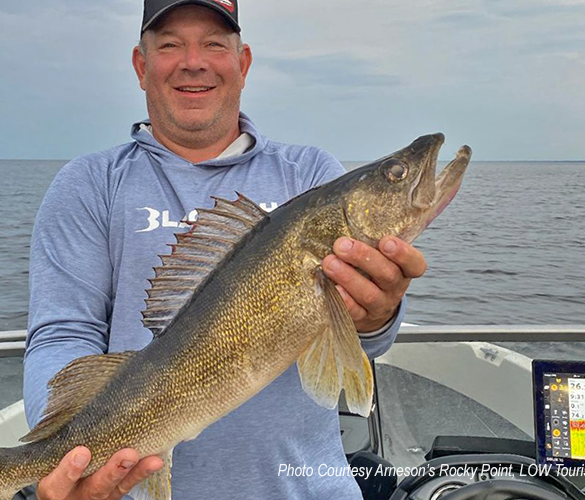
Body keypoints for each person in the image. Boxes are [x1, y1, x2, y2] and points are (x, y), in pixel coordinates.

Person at [23, 0, 427, 499]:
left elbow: (360, 343)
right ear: (140, 66)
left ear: (244, 63)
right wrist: (65, 463)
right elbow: (63, 333)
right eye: (170, 44)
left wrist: (378, 315)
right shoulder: (89, 184)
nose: (194, 61)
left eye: (215, 43)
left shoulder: (307, 174)